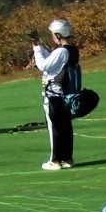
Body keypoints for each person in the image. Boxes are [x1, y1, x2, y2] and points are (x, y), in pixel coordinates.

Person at [33, 18, 81, 170]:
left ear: (59, 35)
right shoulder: (71, 50)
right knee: (65, 126)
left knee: (55, 127)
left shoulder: (61, 51)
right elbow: (52, 61)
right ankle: (67, 158)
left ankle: (55, 160)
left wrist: (36, 49)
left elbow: (43, 65)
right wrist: (39, 46)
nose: (52, 36)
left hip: (54, 95)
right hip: (65, 94)